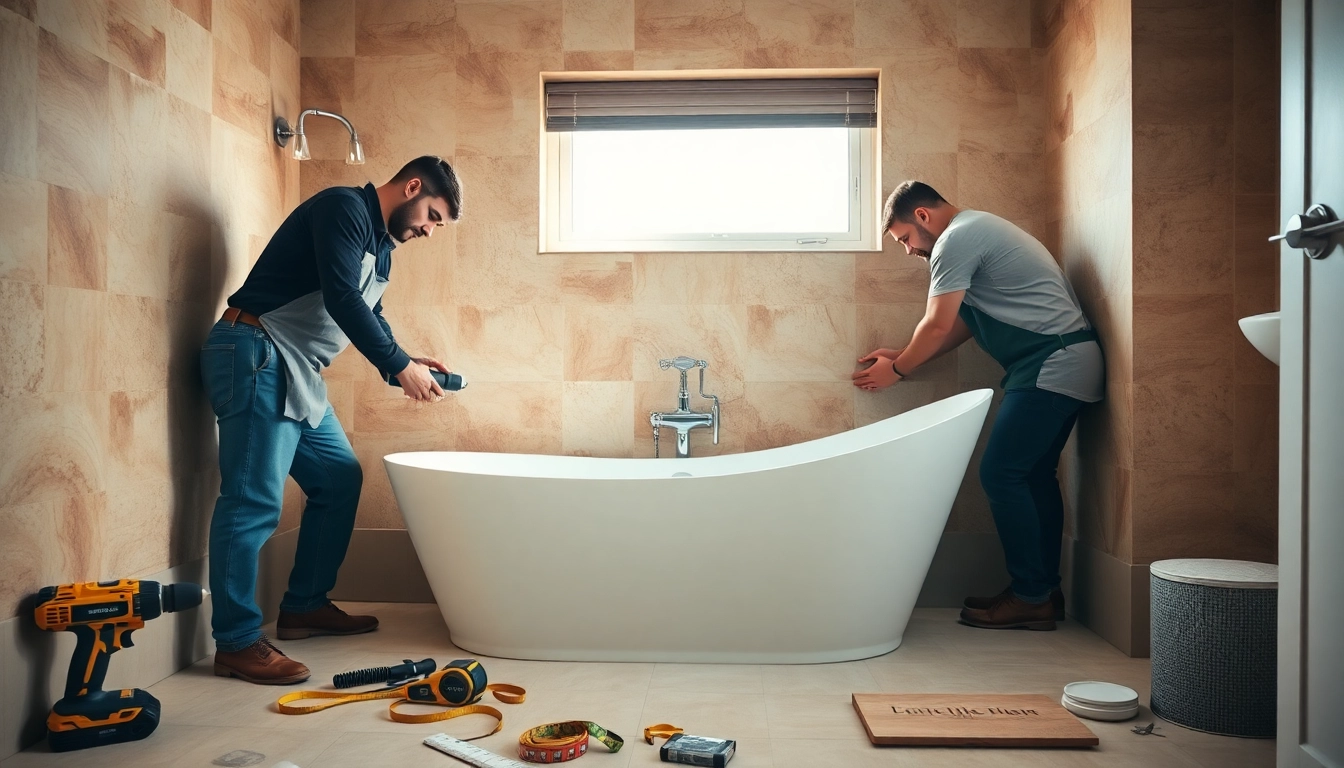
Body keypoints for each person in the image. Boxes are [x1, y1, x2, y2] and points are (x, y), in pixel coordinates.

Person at [200, 156, 461, 683]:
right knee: (252, 501)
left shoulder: (382, 246)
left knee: (339, 478)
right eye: (432, 215)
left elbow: (368, 311)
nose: (430, 230)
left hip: (293, 366)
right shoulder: (344, 208)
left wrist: (405, 361)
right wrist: (396, 364)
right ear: (412, 187)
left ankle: (304, 607)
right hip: (256, 350)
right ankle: (236, 641)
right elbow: (342, 296)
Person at [853, 181, 1104, 631]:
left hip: (1053, 361)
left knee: (1001, 473)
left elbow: (936, 323)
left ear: (924, 217)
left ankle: (1031, 595)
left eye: (905, 238)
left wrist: (901, 370)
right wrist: (903, 353)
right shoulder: (975, 231)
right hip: (1061, 360)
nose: (909, 251)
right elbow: (960, 326)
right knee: (1030, 476)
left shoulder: (956, 239)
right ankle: (1040, 592)